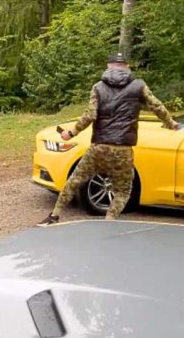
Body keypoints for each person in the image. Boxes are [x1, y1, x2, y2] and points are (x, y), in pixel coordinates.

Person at [38, 53, 181, 226]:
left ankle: (54, 215)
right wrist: (171, 123)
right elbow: (156, 106)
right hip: (123, 149)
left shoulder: (98, 87)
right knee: (123, 192)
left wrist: (71, 133)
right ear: (126, 66)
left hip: (99, 147)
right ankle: (109, 222)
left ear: (108, 65)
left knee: (75, 180)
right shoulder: (138, 86)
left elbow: (90, 115)